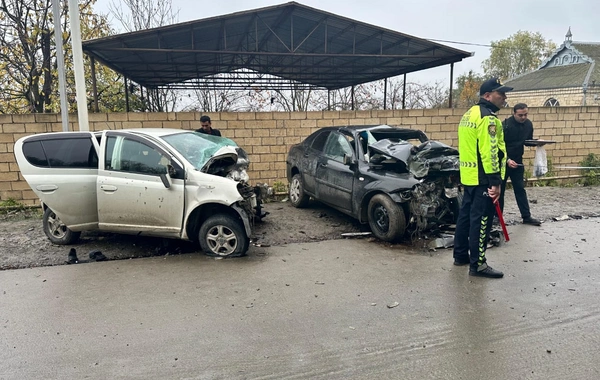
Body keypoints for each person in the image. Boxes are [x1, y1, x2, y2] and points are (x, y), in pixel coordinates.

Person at [452, 78, 510, 279]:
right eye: (500, 93)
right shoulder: (488, 118)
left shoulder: (469, 114)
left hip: (469, 176)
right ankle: (478, 265)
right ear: (488, 95)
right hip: (483, 178)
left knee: (466, 216)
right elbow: (490, 152)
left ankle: (460, 255)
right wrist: (495, 182)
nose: (504, 97)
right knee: (482, 219)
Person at [499, 103, 541, 226]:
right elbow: (497, 146)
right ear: (514, 113)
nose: (523, 117)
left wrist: (537, 143)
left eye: (525, 114)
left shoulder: (528, 124)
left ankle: (526, 217)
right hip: (503, 162)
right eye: (520, 115)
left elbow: (526, 141)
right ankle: (498, 217)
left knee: (520, 189)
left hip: (518, 162)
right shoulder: (505, 125)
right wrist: (507, 160)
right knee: (500, 191)